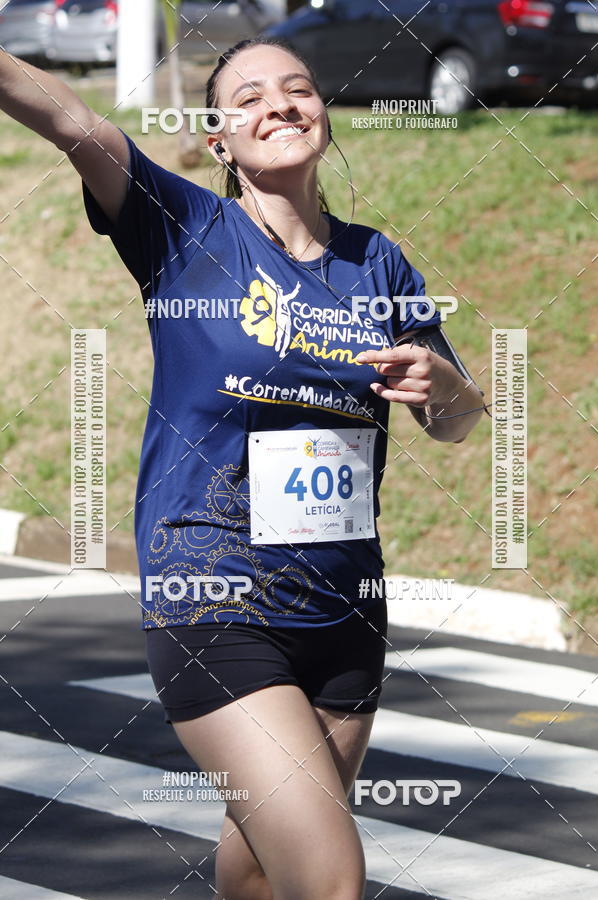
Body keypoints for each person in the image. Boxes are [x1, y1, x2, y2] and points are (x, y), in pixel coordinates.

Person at [0, 37, 483, 899]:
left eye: (299, 89)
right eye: (251, 97)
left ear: (325, 120)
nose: (282, 104)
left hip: (342, 605)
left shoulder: (380, 263)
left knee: (261, 865)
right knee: (329, 878)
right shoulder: (183, 226)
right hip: (213, 593)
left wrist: (444, 383)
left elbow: (455, 421)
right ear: (218, 140)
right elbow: (73, 121)